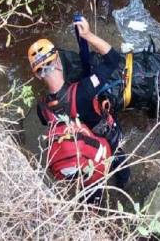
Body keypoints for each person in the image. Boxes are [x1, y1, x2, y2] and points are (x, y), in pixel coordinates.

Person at [27, 16, 130, 196]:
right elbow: (113, 60)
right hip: (104, 142)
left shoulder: (42, 108)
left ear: (37, 75)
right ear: (58, 60)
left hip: (81, 156)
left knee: (91, 186)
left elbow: (55, 119)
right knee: (118, 159)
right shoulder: (84, 90)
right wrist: (88, 35)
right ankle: (122, 183)